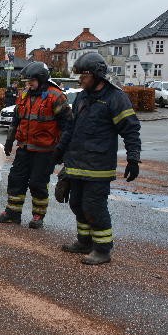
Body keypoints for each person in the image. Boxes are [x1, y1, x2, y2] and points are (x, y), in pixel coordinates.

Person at [55, 52, 141, 265]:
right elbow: (71, 128)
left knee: (94, 206)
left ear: (96, 75)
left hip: (98, 166)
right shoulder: (82, 97)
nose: (80, 81)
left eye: (83, 76)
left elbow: (130, 130)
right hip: (76, 163)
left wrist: (133, 158)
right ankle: (84, 242)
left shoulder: (115, 98)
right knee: (76, 203)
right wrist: (58, 152)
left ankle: (102, 249)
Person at [0, 62, 71, 229]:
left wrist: (62, 150)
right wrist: (9, 140)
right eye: (27, 82)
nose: (28, 85)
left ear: (41, 79)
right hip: (25, 148)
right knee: (15, 179)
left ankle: (38, 216)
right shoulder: (24, 95)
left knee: (37, 183)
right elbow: (16, 120)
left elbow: (67, 126)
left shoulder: (56, 96)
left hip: (45, 151)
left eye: (31, 82)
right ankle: (12, 213)